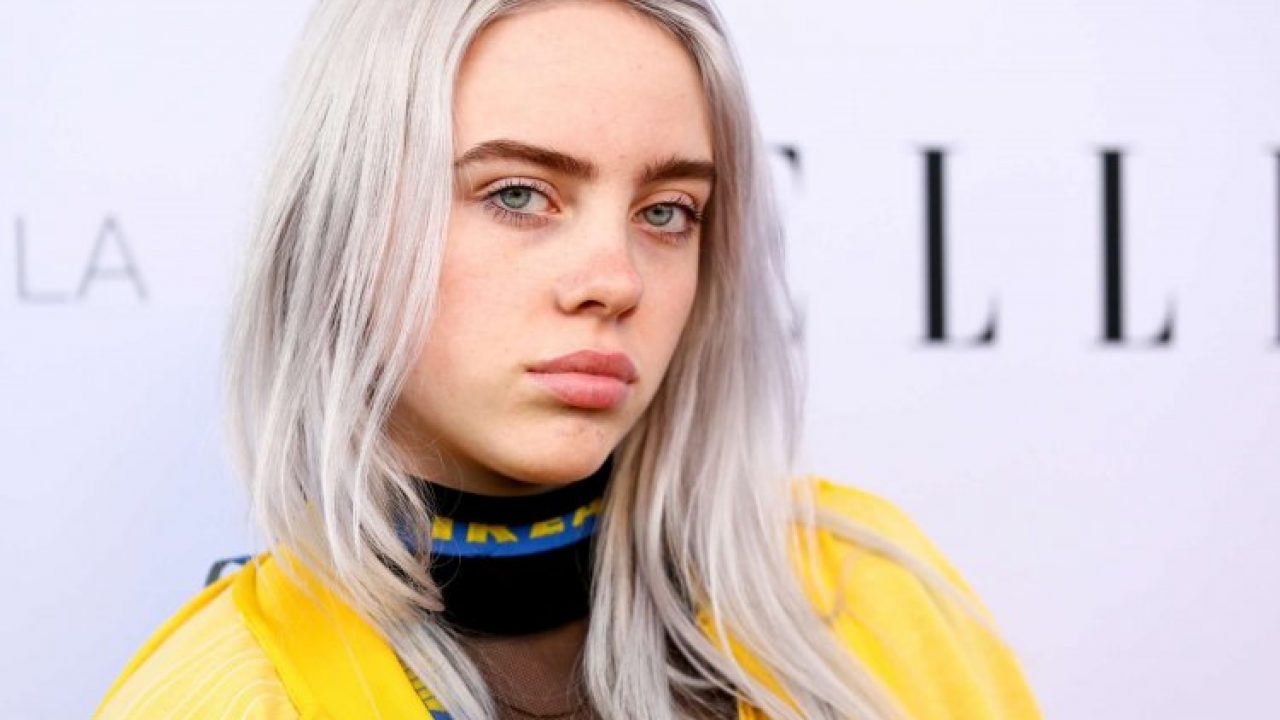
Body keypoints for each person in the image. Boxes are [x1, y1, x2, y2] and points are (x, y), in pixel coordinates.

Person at [94, 1, 1042, 718]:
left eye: (667, 211)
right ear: (344, 223)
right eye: (518, 194)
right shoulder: (230, 698)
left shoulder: (869, 601)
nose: (616, 280)